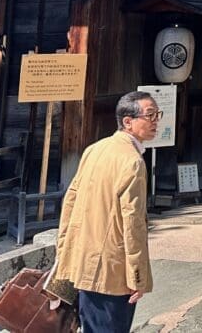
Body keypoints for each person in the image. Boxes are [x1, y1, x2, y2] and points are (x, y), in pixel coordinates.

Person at [54, 91, 157, 333]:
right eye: (150, 115)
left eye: (157, 115)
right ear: (128, 121)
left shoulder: (95, 149)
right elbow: (133, 225)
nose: (155, 122)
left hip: (83, 260)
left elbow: (70, 201)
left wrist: (64, 253)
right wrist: (137, 277)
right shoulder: (132, 162)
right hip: (111, 270)